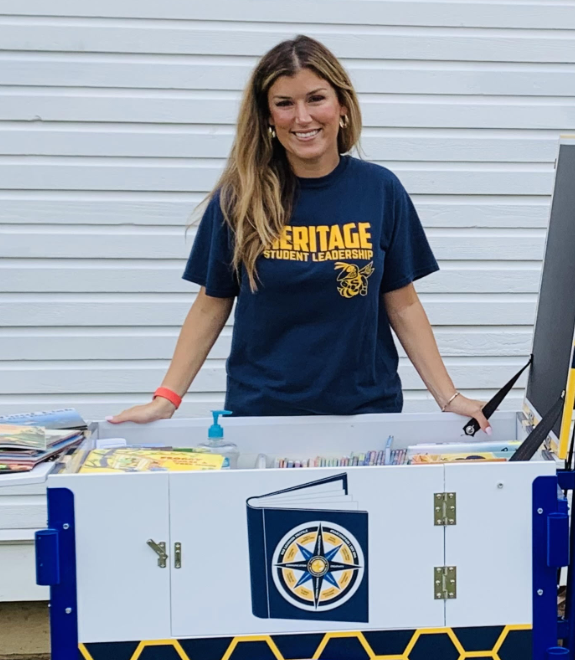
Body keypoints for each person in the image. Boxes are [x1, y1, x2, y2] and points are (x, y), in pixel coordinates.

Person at [111, 36, 489, 431]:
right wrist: (165, 400)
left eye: (315, 99)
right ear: (268, 117)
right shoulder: (240, 198)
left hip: (366, 415)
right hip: (263, 417)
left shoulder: (379, 190)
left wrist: (449, 398)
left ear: (341, 105)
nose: (303, 118)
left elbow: (403, 304)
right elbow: (210, 305)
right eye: (285, 104)